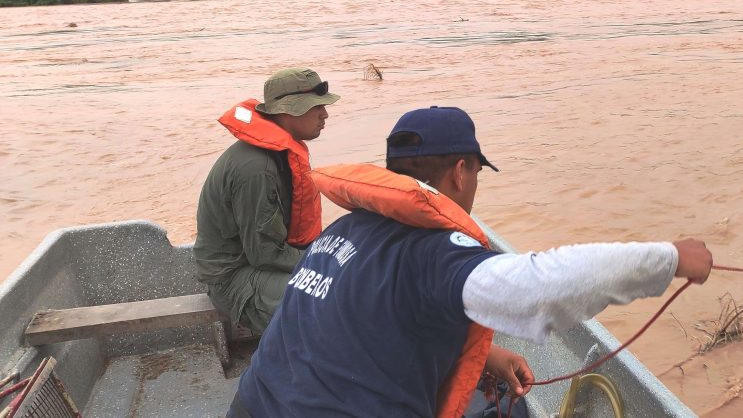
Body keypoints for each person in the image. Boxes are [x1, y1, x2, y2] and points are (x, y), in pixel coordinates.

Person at [229, 106, 714, 418]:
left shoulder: (345, 231)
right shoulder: (436, 251)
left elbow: (370, 324)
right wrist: (669, 258)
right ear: (461, 172)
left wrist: (486, 355)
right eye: (478, 172)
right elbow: (539, 288)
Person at [194, 68, 340, 335]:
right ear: (288, 110)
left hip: (261, 263)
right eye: (317, 107)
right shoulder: (257, 169)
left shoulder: (278, 155)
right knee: (330, 301)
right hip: (234, 278)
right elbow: (264, 254)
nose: (325, 114)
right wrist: (325, 263)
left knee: (348, 281)